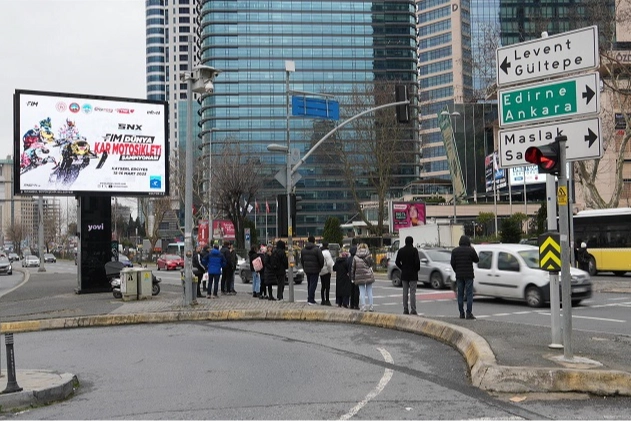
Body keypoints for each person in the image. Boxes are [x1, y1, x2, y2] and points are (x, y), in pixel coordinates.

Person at [450, 235, 479, 320]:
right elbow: (477, 260)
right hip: (469, 275)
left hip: (459, 275)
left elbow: (452, 263)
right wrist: (472, 249)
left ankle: (461, 313)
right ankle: (469, 313)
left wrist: (456, 270)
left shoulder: (454, 251)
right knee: (469, 294)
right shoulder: (470, 250)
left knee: (460, 294)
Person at [395, 236, 421, 315]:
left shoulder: (401, 251)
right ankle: (413, 309)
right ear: (412, 242)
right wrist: (416, 269)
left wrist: (402, 267)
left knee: (405, 291)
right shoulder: (414, 251)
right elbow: (417, 262)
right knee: (413, 292)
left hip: (404, 273)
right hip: (413, 273)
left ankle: (405, 309)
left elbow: (397, 262)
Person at [351, 243, 375, 312]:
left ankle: (363, 306)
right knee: (369, 291)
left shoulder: (355, 257)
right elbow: (371, 263)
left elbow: (353, 268)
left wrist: (352, 278)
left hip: (359, 275)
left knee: (362, 292)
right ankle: (371, 306)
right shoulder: (368, 255)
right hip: (368, 275)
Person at [301, 236, 324, 305]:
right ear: (314, 241)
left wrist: (304, 267)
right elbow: (321, 259)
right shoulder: (317, 249)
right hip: (315, 269)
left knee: (309, 284)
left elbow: (302, 260)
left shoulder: (303, 250)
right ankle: (311, 299)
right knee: (313, 284)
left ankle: (310, 298)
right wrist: (320, 267)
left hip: (307, 269)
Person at [347, 245, 360, 310]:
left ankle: (351, 304)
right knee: (356, 291)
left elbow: (346, 267)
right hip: (356, 276)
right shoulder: (357, 259)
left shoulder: (348, 259)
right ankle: (356, 304)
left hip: (350, 277)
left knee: (351, 291)